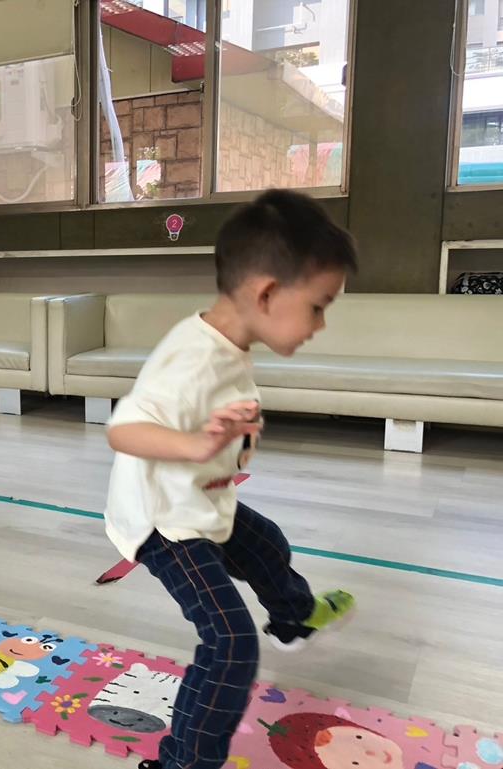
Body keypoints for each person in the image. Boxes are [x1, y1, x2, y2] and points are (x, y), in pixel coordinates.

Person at [104, 190, 358, 769]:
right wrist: (197, 445)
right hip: (164, 522)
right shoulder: (193, 359)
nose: (320, 324)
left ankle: (293, 618)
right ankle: (184, 762)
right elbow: (124, 430)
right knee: (230, 644)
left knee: (266, 543)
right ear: (266, 293)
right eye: (318, 306)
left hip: (199, 498)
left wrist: (224, 441)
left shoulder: (228, 344)